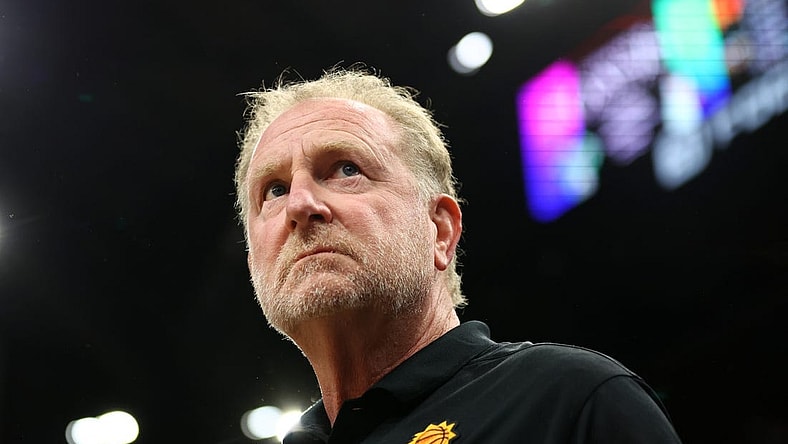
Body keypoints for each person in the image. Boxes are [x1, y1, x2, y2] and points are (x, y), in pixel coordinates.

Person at [234, 67, 683, 443]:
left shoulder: (568, 400)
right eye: (274, 190)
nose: (299, 205)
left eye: (346, 169)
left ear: (440, 230)